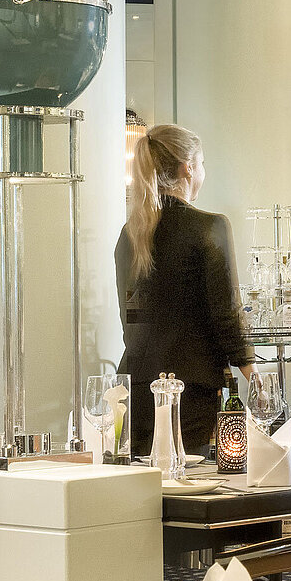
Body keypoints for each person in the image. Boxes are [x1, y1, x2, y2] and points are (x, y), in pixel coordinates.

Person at [115, 123, 256, 452]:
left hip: (136, 382)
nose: (202, 171)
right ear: (187, 167)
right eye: (202, 162)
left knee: (144, 488)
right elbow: (226, 310)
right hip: (189, 385)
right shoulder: (210, 226)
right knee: (182, 483)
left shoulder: (130, 233)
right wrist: (253, 372)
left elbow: (131, 319)